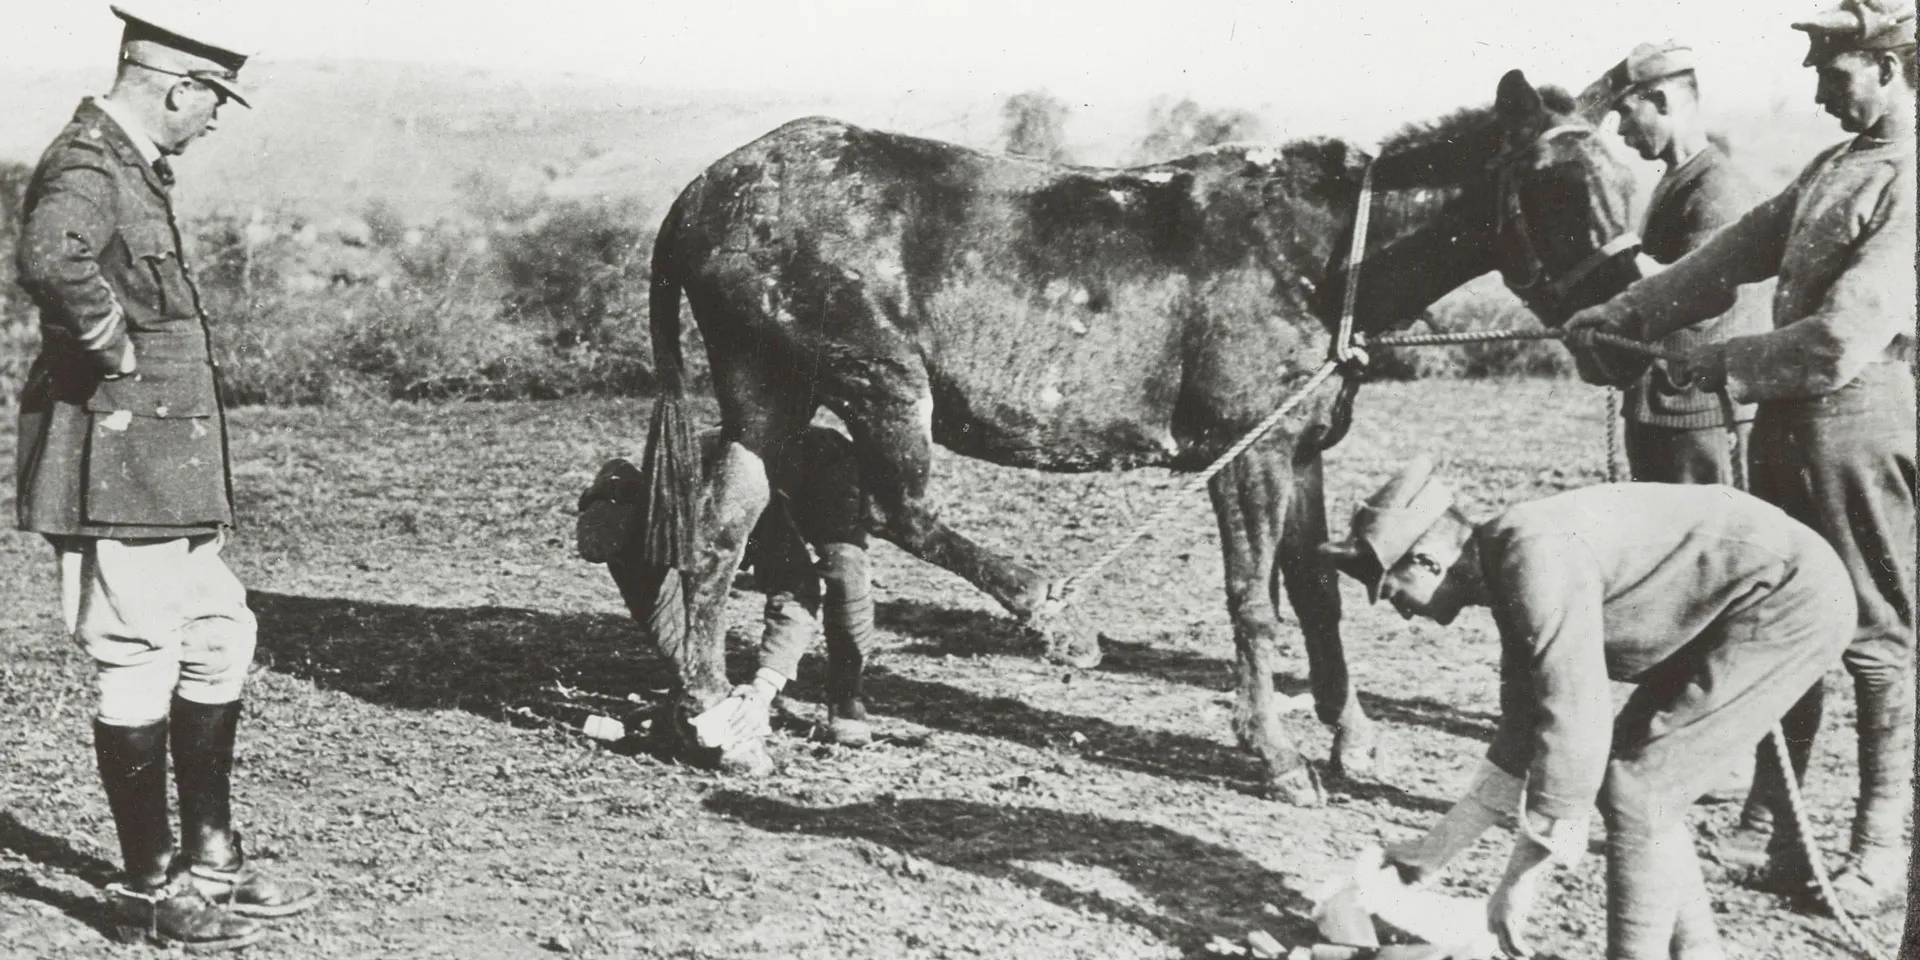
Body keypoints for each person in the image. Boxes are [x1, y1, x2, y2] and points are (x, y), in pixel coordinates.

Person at [1565, 0, 1915, 914]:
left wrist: (1712, 362)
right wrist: (1626, 317)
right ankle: (1786, 836)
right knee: (1780, 610)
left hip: (1861, 416)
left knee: (1875, 636)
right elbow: (1731, 255)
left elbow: (1842, 341)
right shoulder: (1833, 165)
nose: (1816, 86)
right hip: (1792, 417)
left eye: (1832, 72)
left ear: (1888, 68)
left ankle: (1881, 850)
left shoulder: (1910, 176)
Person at [13, 3, 319, 951]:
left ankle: (212, 863)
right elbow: (51, 258)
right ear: (177, 85)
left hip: (163, 456)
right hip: (122, 454)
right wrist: (115, 351)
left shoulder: (131, 164)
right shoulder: (89, 161)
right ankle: (150, 890)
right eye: (213, 99)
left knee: (220, 634)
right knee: (138, 648)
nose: (215, 118)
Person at [1320, 458, 1853, 960]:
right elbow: (1525, 723)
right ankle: (1697, 950)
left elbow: (1574, 716)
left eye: (1393, 592)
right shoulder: (1505, 559)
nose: (1404, 614)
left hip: (1785, 599)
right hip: (1729, 606)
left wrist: (1518, 885)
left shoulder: (1531, 555)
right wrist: (1434, 850)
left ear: (1427, 559)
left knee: (1639, 788)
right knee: (1643, 783)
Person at [579, 425, 880, 758]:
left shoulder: (740, 501)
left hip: (820, 467)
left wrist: (762, 690)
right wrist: (697, 685)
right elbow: (663, 613)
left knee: (846, 565)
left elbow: (795, 588)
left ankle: (846, 695)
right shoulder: (634, 531)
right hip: (729, 475)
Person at [1574, 41, 1769, 486]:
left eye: (1624, 113)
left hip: (1702, 416)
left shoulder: (1716, 190)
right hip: (1666, 408)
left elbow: (1706, 299)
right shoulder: (1680, 182)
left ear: (1661, 101)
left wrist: (1614, 261)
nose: (1620, 131)